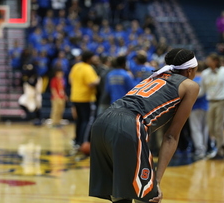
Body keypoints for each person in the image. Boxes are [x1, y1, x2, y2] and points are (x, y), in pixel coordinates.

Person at [89, 48, 199, 203]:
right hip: (129, 125)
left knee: (121, 195)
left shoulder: (153, 77)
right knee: (149, 197)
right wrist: (157, 181)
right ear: (189, 71)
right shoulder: (190, 86)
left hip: (101, 122)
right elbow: (171, 136)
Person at [199, 53, 224, 159]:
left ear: (215, 61)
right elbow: (202, 90)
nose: (207, 62)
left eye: (209, 60)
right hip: (210, 102)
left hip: (222, 101)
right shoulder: (205, 73)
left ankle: (221, 150)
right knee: (211, 129)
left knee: (218, 127)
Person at [69, 50, 100, 148]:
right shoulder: (88, 68)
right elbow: (91, 83)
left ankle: (77, 140)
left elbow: (70, 80)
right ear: (89, 58)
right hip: (86, 98)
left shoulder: (76, 66)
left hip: (75, 97)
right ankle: (83, 142)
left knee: (79, 120)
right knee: (87, 121)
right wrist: (99, 79)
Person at [189, 61, 209, 160]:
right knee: (205, 129)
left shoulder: (193, 79)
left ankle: (200, 151)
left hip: (195, 107)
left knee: (196, 129)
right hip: (207, 106)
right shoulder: (205, 78)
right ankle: (204, 150)